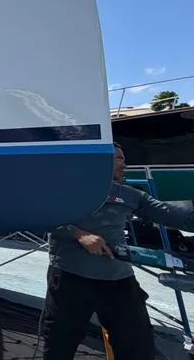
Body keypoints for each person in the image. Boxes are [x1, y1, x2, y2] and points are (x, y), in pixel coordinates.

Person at [42, 142, 194, 359]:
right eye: (119, 159)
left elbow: (176, 216)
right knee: (59, 347)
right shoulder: (68, 189)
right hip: (70, 280)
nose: (125, 164)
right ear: (100, 161)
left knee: (138, 348)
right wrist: (78, 234)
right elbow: (41, 217)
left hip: (119, 281)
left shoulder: (131, 194)